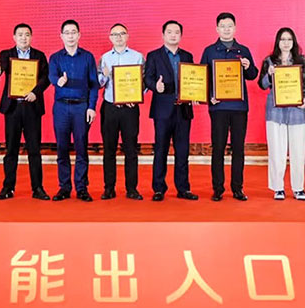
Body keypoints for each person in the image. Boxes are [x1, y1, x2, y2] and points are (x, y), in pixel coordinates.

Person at [200, 12, 259, 201]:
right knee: (218, 148)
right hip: (218, 107)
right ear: (217, 29)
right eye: (223, 26)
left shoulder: (243, 50)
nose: (226, 29)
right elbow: (202, 78)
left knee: (238, 148)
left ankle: (237, 188)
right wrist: (209, 97)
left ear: (235, 28)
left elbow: (253, 75)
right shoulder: (209, 51)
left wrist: (248, 66)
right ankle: (218, 188)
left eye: (230, 26)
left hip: (239, 108)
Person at [0, 23, 51, 201]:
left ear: (31, 37)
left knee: (34, 149)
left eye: (27, 34)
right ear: (14, 37)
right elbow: (2, 67)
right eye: (20, 35)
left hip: (32, 107)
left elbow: (46, 78)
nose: (23, 38)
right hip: (13, 108)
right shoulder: (6, 54)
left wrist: (35, 92)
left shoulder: (39, 56)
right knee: (11, 150)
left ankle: (38, 188)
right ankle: (8, 187)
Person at [143, 20, 199, 201]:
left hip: (183, 110)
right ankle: (159, 188)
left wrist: (196, 94)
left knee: (183, 151)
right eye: (169, 32)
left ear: (181, 35)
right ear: (163, 35)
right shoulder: (154, 56)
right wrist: (155, 86)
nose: (173, 35)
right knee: (161, 150)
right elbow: (147, 78)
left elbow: (194, 79)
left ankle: (183, 188)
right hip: (162, 110)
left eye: (177, 32)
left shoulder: (187, 56)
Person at [48, 19, 99, 202]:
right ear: (61, 36)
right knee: (62, 148)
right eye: (67, 33)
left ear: (79, 35)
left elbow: (94, 84)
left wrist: (91, 107)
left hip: (81, 107)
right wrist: (58, 81)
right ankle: (64, 187)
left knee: (81, 147)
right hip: (61, 107)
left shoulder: (88, 57)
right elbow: (51, 75)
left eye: (73, 32)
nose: (70, 36)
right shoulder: (55, 58)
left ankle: (81, 187)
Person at [258, 27, 305, 201]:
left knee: (298, 151)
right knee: (276, 150)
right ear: (277, 42)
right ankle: (278, 187)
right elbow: (262, 84)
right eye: (282, 39)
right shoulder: (269, 61)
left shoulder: (301, 61)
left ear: (293, 42)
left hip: (297, 112)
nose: (286, 43)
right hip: (275, 112)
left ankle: (298, 188)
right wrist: (269, 74)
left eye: (289, 39)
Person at [97, 23, 145, 200]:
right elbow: (98, 83)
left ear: (127, 36)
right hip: (110, 107)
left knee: (131, 149)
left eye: (122, 33)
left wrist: (136, 96)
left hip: (130, 109)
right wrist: (105, 75)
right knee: (109, 149)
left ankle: (132, 188)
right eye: (114, 34)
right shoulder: (104, 58)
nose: (118, 37)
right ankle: (109, 188)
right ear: (110, 37)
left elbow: (144, 82)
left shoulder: (138, 57)